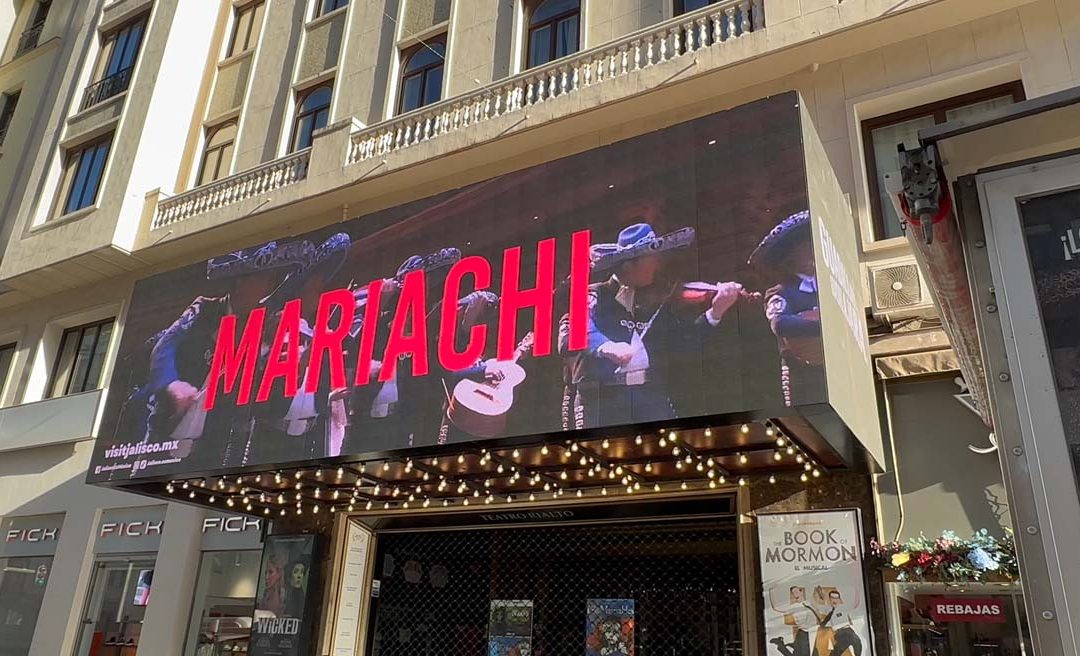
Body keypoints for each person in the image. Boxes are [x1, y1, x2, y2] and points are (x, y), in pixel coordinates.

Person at [561, 221, 743, 427]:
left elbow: (683, 344)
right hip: (603, 401)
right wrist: (606, 347)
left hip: (649, 398)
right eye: (652, 258)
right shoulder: (594, 295)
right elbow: (570, 334)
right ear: (629, 265)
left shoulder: (658, 302)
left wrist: (715, 312)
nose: (658, 264)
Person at [747, 210, 823, 407]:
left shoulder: (828, 287)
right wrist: (824, 324)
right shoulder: (781, 291)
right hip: (801, 372)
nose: (810, 252)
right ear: (791, 258)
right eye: (804, 248)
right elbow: (781, 323)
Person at [768, 585, 814, 656]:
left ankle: (780, 644)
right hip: (802, 634)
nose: (795, 594)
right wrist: (771, 592)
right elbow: (776, 607)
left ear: (801, 592)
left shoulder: (810, 604)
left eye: (796, 591)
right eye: (793, 593)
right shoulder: (794, 607)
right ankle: (780, 644)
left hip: (812, 633)